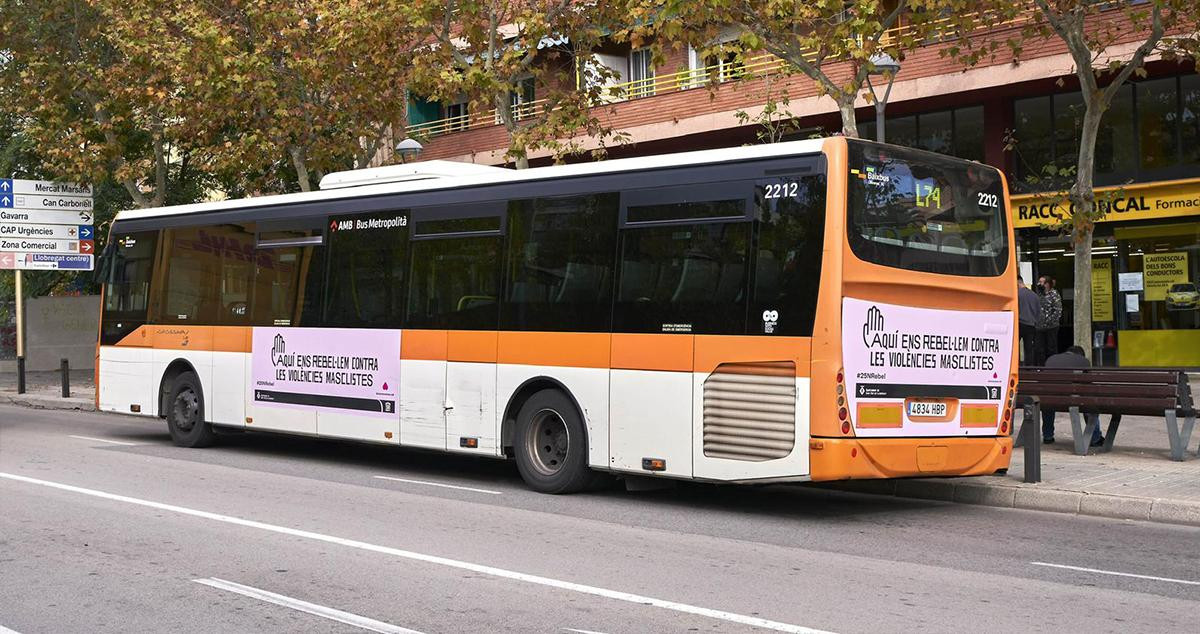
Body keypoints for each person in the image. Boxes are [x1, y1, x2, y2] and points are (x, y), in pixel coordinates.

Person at [1042, 345, 1104, 446]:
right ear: (1080, 355)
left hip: (1050, 399)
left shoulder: (1051, 359)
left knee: (1048, 402)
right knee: (1089, 401)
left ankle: (1047, 436)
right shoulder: (1083, 361)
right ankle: (1095, 438)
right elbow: (1088, 384)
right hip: (1074, 400)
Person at [1035, 274, 1062, 362]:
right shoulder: (1038, 294)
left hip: (1051, 327)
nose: (1039, 284)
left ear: (1047, 284)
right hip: (1039, 327)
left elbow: (1058, 311)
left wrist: (1048, 321)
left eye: (1041, 282)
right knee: (1040, 349)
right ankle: (1041, 367)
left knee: (1051, 348)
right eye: (1039, 282)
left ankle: (1052, 366)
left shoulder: (1054, 294)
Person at [1017, 274, 1039, 365]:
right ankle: (1029, 368)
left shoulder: (1017, 294)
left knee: (1014, 347)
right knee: (1029, 348)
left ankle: (1016, 365)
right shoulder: (1034, 295)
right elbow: (1038, 312)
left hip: (1019, 323)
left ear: (1017, 283)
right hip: (1031, 325)